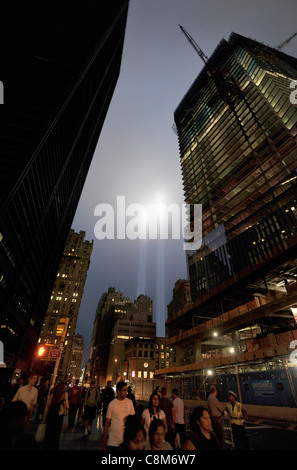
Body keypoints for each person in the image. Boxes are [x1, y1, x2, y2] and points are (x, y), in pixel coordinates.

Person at [102, 381, 135, 450]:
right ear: (118, 391)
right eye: (124, 390)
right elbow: (107, 423)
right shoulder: (112, 404)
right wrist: (104, 443)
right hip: (113, 442)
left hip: (126, 442)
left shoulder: (129, 402)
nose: (126, 392)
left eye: (126, 390)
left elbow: (133, 421)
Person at [43, 381, 69, 450]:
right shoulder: (64, 394)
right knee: (56, 433)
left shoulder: (53, 393)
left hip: (51, 414)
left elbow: (48, 405)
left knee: (49, 431)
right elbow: (67, 406)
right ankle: (54, 446)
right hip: (59, 415)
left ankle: (47, 445)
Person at [207, 385, 226, 449]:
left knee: (216, 435)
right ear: (215, 391)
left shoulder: (209, 398)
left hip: (212, 418)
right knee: (220, 436)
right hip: (217, 419)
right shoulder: (213, 399)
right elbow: (221, 408)